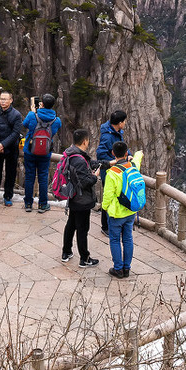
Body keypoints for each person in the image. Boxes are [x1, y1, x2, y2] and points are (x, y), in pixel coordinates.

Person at [60, 129, 101, 268]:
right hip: (81, 199)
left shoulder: (71, 153)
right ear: (85, 141)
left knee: (71, 224)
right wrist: (95, 177)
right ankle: (85, 258)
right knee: (82, 229)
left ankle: (66, 252)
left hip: (74, 197)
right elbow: (84, 182)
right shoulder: (78, 159)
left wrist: (107, 163)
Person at [101, 141, 142, 279]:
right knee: (128, 239)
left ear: (113, 153)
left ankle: (118, 268)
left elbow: (108, 195)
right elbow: (138, 157)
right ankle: (127, 268)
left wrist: (105, 207)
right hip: (130, 211)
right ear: (126, 153)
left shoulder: (112, 173)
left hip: (116, 213)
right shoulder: (133, 166)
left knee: (114, 240)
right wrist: (138, 153)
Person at [22, 93, 62, 213]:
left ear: (42, 104)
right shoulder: (56, 120)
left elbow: (24, 125)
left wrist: (33, 111)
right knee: (43, 178)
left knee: (29, 177)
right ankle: (42, 205)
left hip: (30, 151)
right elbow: (54, 132)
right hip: (45, 152)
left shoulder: (32, 115)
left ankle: (28, 204)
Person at [0, 90, 23, 206]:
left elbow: (16, 133)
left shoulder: (16, 115)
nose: (3, 101)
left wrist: (3, 144)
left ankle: (8, 196)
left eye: (5, 99)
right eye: (1, 99)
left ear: (11, 100)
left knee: (10, 173)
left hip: (11, 148)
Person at [96, 110, 127, 235]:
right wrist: (115, 161)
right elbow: (101, 154)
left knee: (115, 197)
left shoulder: (116, 132)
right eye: (124, 121)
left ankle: (113, 224)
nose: (125, 123)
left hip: (116, 171)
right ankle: (105, 226)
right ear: (119, 123)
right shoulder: (107, 136)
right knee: (108, 198)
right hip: (109, 172)